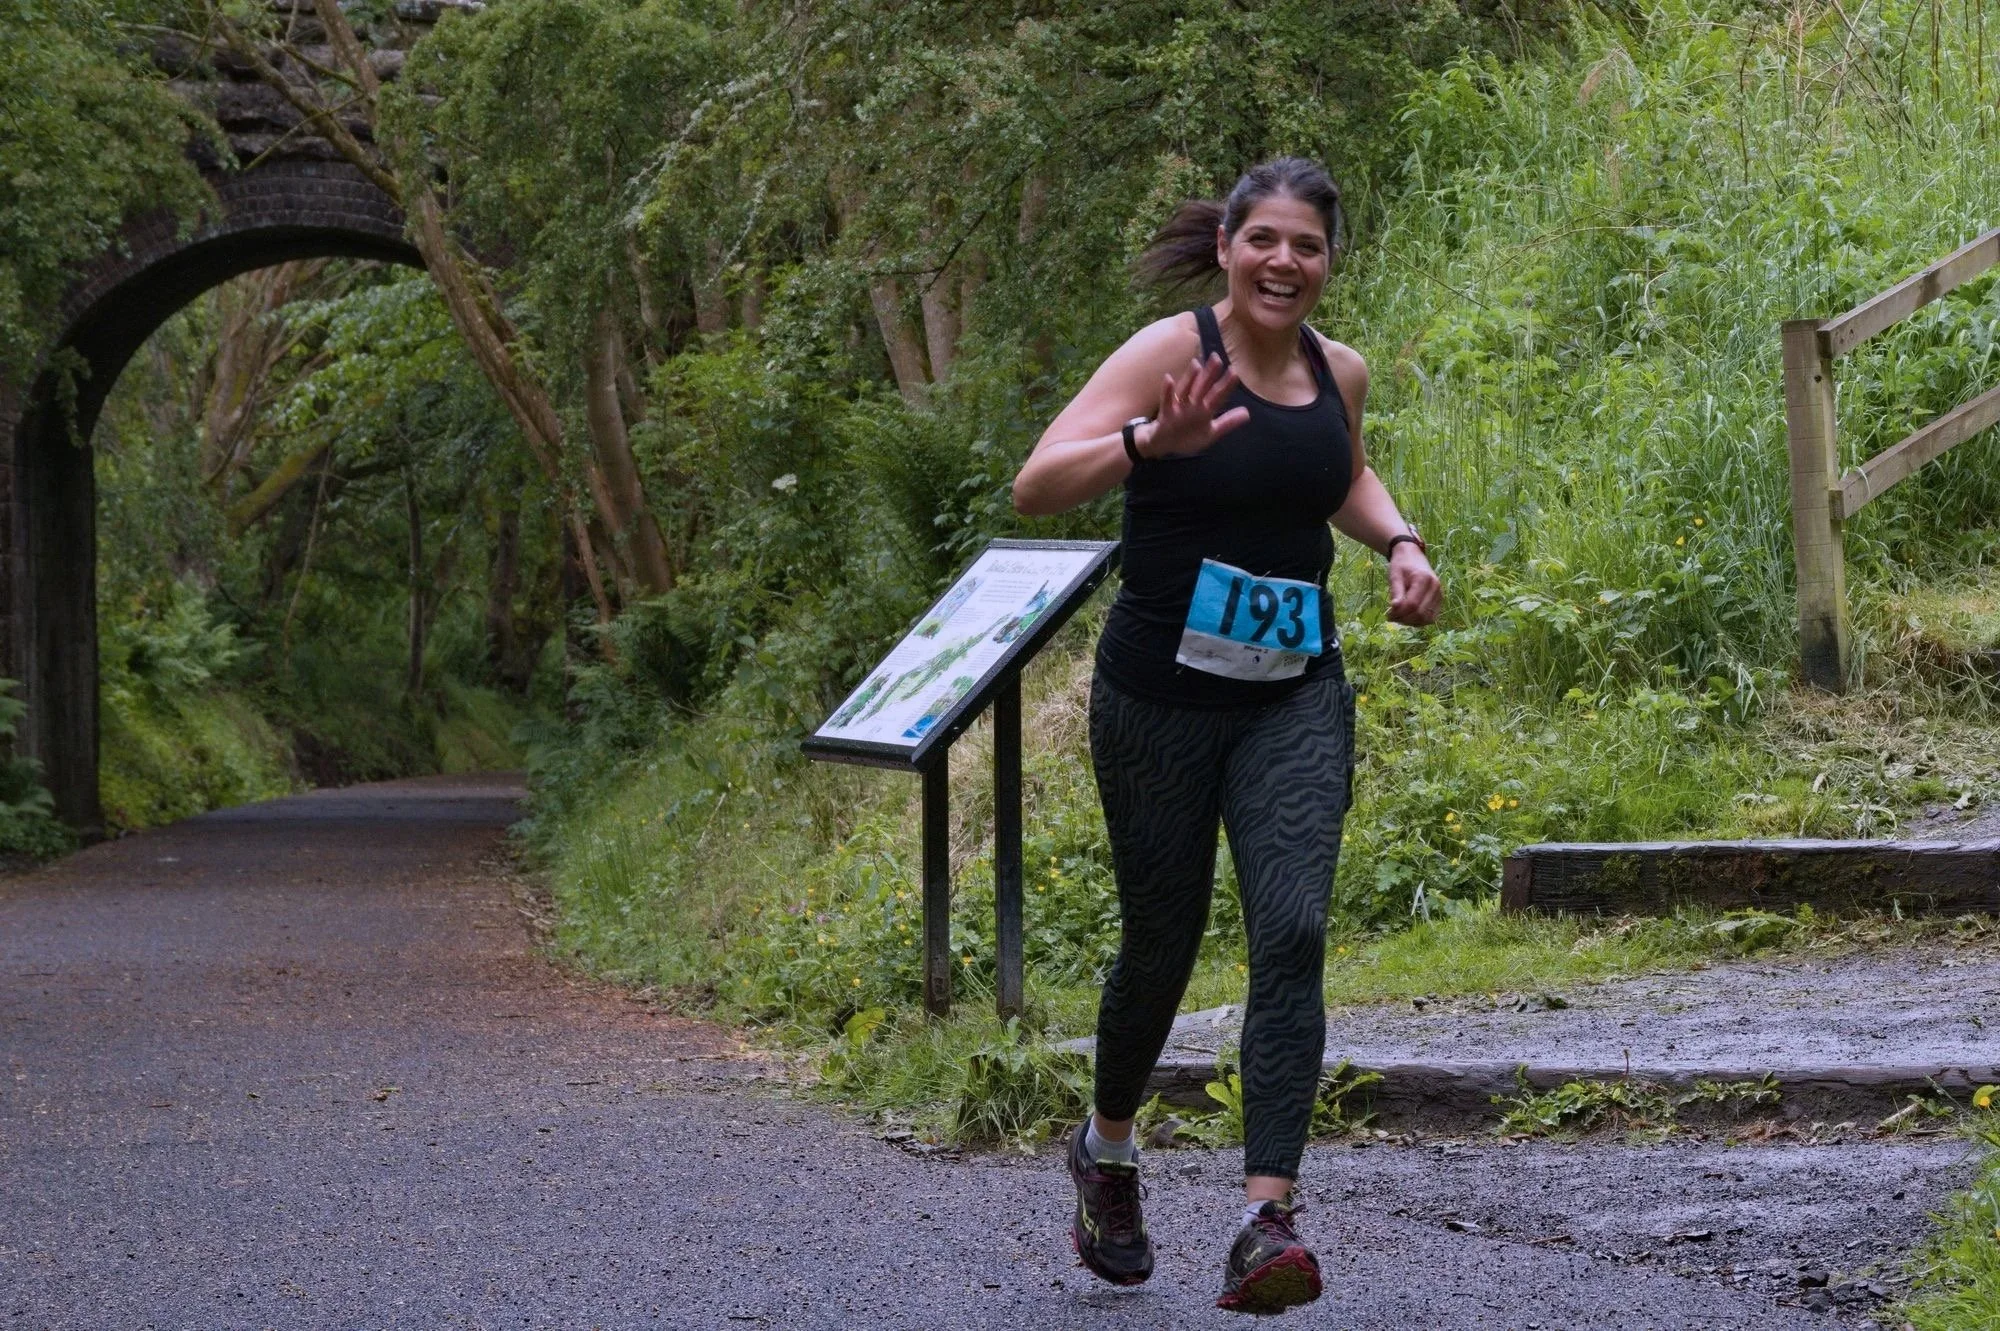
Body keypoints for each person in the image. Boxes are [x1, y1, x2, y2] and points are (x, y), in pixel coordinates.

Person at [1011, 157, 1441, 1315]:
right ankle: (1106, 1150)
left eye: (1306, 245)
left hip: (1291, 689)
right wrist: (1151, 444)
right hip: (1157, 692)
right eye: (1264, 241)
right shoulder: (1169, 354)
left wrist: (1396, 539)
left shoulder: (1335, 371)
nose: (1284, 263)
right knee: (1160, 937)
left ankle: (1266, 1218)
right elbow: (1037, 483)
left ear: (1327, 261)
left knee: (1291, 924)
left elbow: (1338, 469)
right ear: (1227, 248)